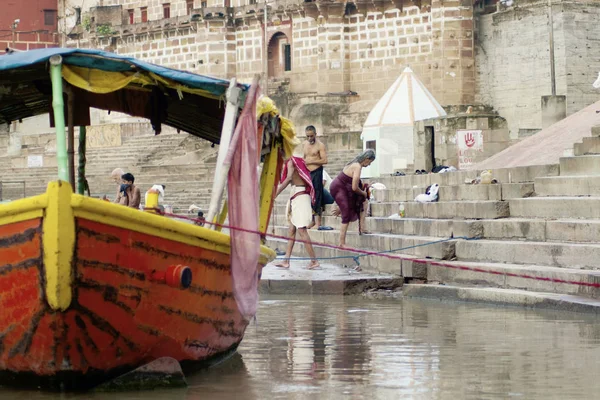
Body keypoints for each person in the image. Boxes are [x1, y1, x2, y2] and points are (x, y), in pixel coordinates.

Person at [273, 150, 320, 270]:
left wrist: (275, 194)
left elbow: (289, 178)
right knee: (291, 230)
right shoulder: (293, 161)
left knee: (302, 230)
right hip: (296, 195)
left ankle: (314, 261)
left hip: (300, 196)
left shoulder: (291, 162)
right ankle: (286, 261)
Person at [329, 149, 376, 247]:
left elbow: (353, 182)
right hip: (338, 188)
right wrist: (363, 193)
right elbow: (354, 187)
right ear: (366, 159)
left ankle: (362, 228)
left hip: (344, 189)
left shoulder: (355, 164)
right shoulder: (357, 166)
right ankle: (341, 243)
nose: (369, 165)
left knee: (364, 202)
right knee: (346, 213)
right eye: (370, 162)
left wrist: (364, 188)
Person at [303, 125, 328, 230]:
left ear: (315, 134)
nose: (309, 138)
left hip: (317, 172)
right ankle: (312, 221)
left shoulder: (320, 145)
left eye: (311, 136)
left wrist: (312, 161)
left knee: (317, 196)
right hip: (307, 173)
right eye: (308, 136)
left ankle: (318, 222)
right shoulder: (304, 144)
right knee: (309, 196)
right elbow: (304, 158)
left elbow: (325, 160)